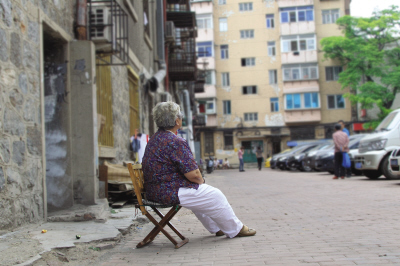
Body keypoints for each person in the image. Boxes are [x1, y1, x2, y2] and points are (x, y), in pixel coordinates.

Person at [142, 101, 256, 238]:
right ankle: (236, 229)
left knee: (200, 194)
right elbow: (194, 175)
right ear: (177, 121)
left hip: (155, 190)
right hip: (167, 191)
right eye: (180, 116)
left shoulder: (155, 139)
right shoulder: (175, 141)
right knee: (215, 195)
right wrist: (200, 181)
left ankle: (218, 228)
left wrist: (197, 183)